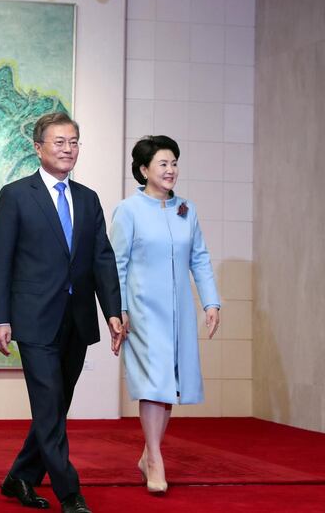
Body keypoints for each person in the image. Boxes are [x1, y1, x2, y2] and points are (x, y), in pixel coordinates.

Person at [0, 112, 124, 513]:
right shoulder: (16, 194)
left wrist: (113, 311)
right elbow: (1, 261)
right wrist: (1, 317)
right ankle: (71, 493)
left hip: (77, 318)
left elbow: (102, 258)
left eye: (74, 142)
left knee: (56, 405)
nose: (68, 149)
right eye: (59, 142)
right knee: (49, 404)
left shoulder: (87, 198)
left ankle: (20, 478)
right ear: (38, 147)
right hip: (33, 319)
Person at [109, 135, 220, 494]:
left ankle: (148, 455)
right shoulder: (129, 210)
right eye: (163, 164)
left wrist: (211, 302)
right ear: (143, 170)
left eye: (174, 163)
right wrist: (119, 309)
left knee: (169, 383)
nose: (171, 170)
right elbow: (117, 265)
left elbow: (199, 258)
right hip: (143, 311)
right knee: (154, 382)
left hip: (179, 313)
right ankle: (155, 458)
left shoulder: (187, 209)